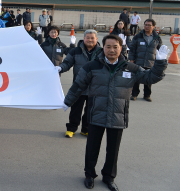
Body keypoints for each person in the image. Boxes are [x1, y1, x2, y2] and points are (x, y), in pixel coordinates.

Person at [63, 34, 168, 191]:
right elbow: (78, 85)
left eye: (115, 47)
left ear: (121, 48)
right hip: (96, 114)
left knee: (113, 150)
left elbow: (150, 78)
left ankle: (109, 177)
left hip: (117, 115)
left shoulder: (130, 68)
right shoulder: (92, 66)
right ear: (103, 48)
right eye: (108, 47)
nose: (111, 50)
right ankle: (89, 175)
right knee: (92, 147)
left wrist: (160, 63)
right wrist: (67, 102)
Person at [57, 30, 102, 138]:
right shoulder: (76, 51)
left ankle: (85, 129)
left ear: (96, 39)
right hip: (79, 86)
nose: (90, 40)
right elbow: (67, 63)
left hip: (95, 86)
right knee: (76, 109)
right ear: (84, 38)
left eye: (92, 38)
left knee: (90, 110)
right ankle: (71, 129)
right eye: (88, 37)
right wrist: (60, 68)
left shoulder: (102, 51)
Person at [128, 18, 163, 102]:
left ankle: (147, 95)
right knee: (136, 79)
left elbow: (160, 50)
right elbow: (132, 48)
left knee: (149, 80)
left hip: (151, 62)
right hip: (138, 61)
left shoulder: (157, 38)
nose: (147, 27)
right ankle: (134, 94)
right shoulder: (138, 36)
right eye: (145, 25)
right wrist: (131, 59)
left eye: (149, 25)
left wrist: (159, 61)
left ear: (153, 26)